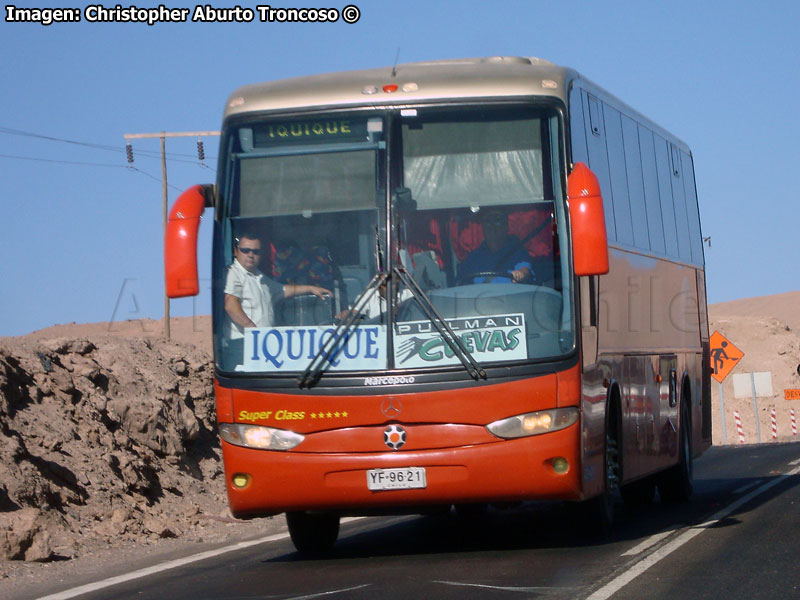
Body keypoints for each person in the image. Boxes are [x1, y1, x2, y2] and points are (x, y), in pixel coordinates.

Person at [224, 232, 331, 359]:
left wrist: (311, 288)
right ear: (236, 251)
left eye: (255, 251)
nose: (251, 255)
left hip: (261, 343)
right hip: (242, 343)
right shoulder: (233, 273)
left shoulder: (259, 276)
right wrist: (253, 330)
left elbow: (283, 290)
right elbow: (231, 305)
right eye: (245, 250)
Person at [457, 209, 534, 284]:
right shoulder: (472, 258)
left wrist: (520, 274)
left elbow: (525, 271)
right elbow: (459, 283)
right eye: (487, 221)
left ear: (506, 226)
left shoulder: (518, 253)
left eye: (497, 221)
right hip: (480, 297)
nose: (492, 226)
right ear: (483, 227)